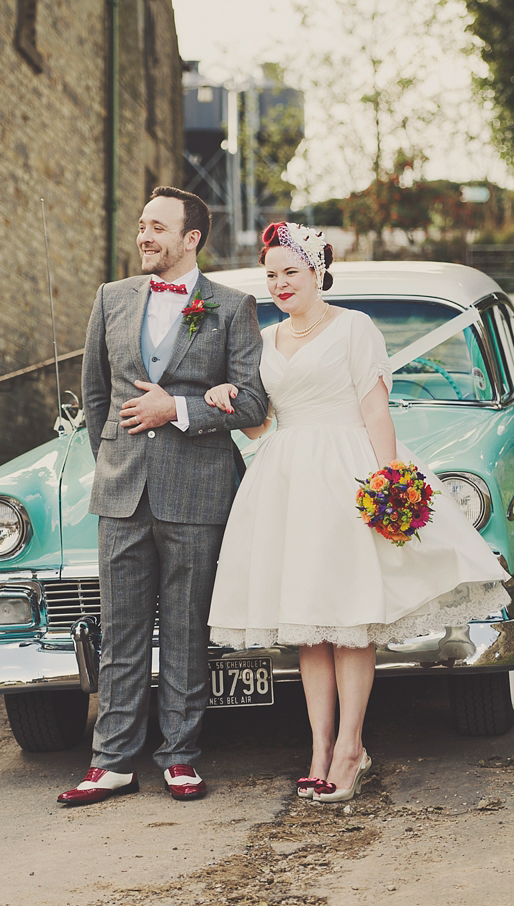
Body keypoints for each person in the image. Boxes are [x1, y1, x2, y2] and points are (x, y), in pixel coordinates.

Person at [205, 221, 510, 803]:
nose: (279, 284)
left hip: (346, 471)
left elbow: (375, 410)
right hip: (286, 476)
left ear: (317, 270)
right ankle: (319, 748)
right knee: (308, 625)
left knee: (348, 622)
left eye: (290, 272)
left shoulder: (354, 328)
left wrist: (390, 479)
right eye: (270, 275)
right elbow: (264, 421)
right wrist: (228, 399)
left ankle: (351, 748)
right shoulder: (267, 340)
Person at [58, 187, 268, 806]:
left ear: (191, 238)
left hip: (199, 491)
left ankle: (180, 756)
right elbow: (97, 396)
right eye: (142, 225)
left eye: (157, 227)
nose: (144, 236)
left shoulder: (231, 306)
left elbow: (253, 403)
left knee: (183, 630)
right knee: (120, 630)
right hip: (122, 490)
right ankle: (112, 761)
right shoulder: (111, 298)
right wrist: (115, 460)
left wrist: (174, 407)